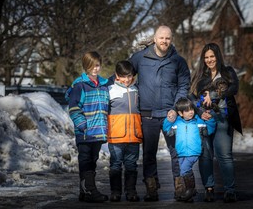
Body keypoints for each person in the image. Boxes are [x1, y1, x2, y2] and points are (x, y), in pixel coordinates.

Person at [129, 25, 191, 201]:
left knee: (176, 151)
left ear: (171, 40)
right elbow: (123, 74)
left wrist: (176, 108)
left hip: (170, 115)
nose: (165, 41)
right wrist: (104, 85)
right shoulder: (140, 58)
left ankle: (180, 188)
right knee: (149, 153)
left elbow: (184, 85)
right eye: (161, 38)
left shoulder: (178, 61)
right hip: (147, 114)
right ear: (155, 38)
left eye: (168, 38)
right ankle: (151, 188)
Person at [189, 43, 242, 203]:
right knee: (205, 155)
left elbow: (234, 88)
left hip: (223, 118)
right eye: (206, 57)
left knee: (224, 156)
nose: (209, 60)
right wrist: (199, 112)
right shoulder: (199, 75)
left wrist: (214, 95)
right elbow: (191, 96)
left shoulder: (227, 72)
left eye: (212, 56)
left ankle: (230, 190)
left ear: (218, 56)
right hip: (205, 118)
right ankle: (209, 188)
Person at [65, 51, 109, 203]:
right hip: (85, 132)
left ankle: (85, 191)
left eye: (97, 65)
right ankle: (90, 190)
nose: (95, 69)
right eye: (91, 66)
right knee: (85, 160)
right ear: (85, 67)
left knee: (93, 160)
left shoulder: (104, 86)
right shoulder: (80, 85)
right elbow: (74, 107)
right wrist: (83, 126)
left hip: (98, 132)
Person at [163, 97, 216, 202]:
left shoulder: (198, 121)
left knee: (184, 169)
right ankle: (190, 193)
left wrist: (210, 120)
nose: (190, 112)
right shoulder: (177, 123)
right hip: (181, 152)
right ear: (180, 113)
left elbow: (209, 130)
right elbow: (167, 130)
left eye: (191, 109)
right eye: (187, 111)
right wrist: (168, 120)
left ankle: (190, 190)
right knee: (183, 171)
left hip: (193, 152)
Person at [107, 60, 143, 202]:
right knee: (115, 165)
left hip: (134, 136)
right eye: (123, 76)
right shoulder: (110, 90)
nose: (127, 79)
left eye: (129, 76)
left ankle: (131, 191)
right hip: (116, 136)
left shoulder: (136, 90)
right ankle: (115, 192)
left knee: (131, 165)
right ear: (117, 75)